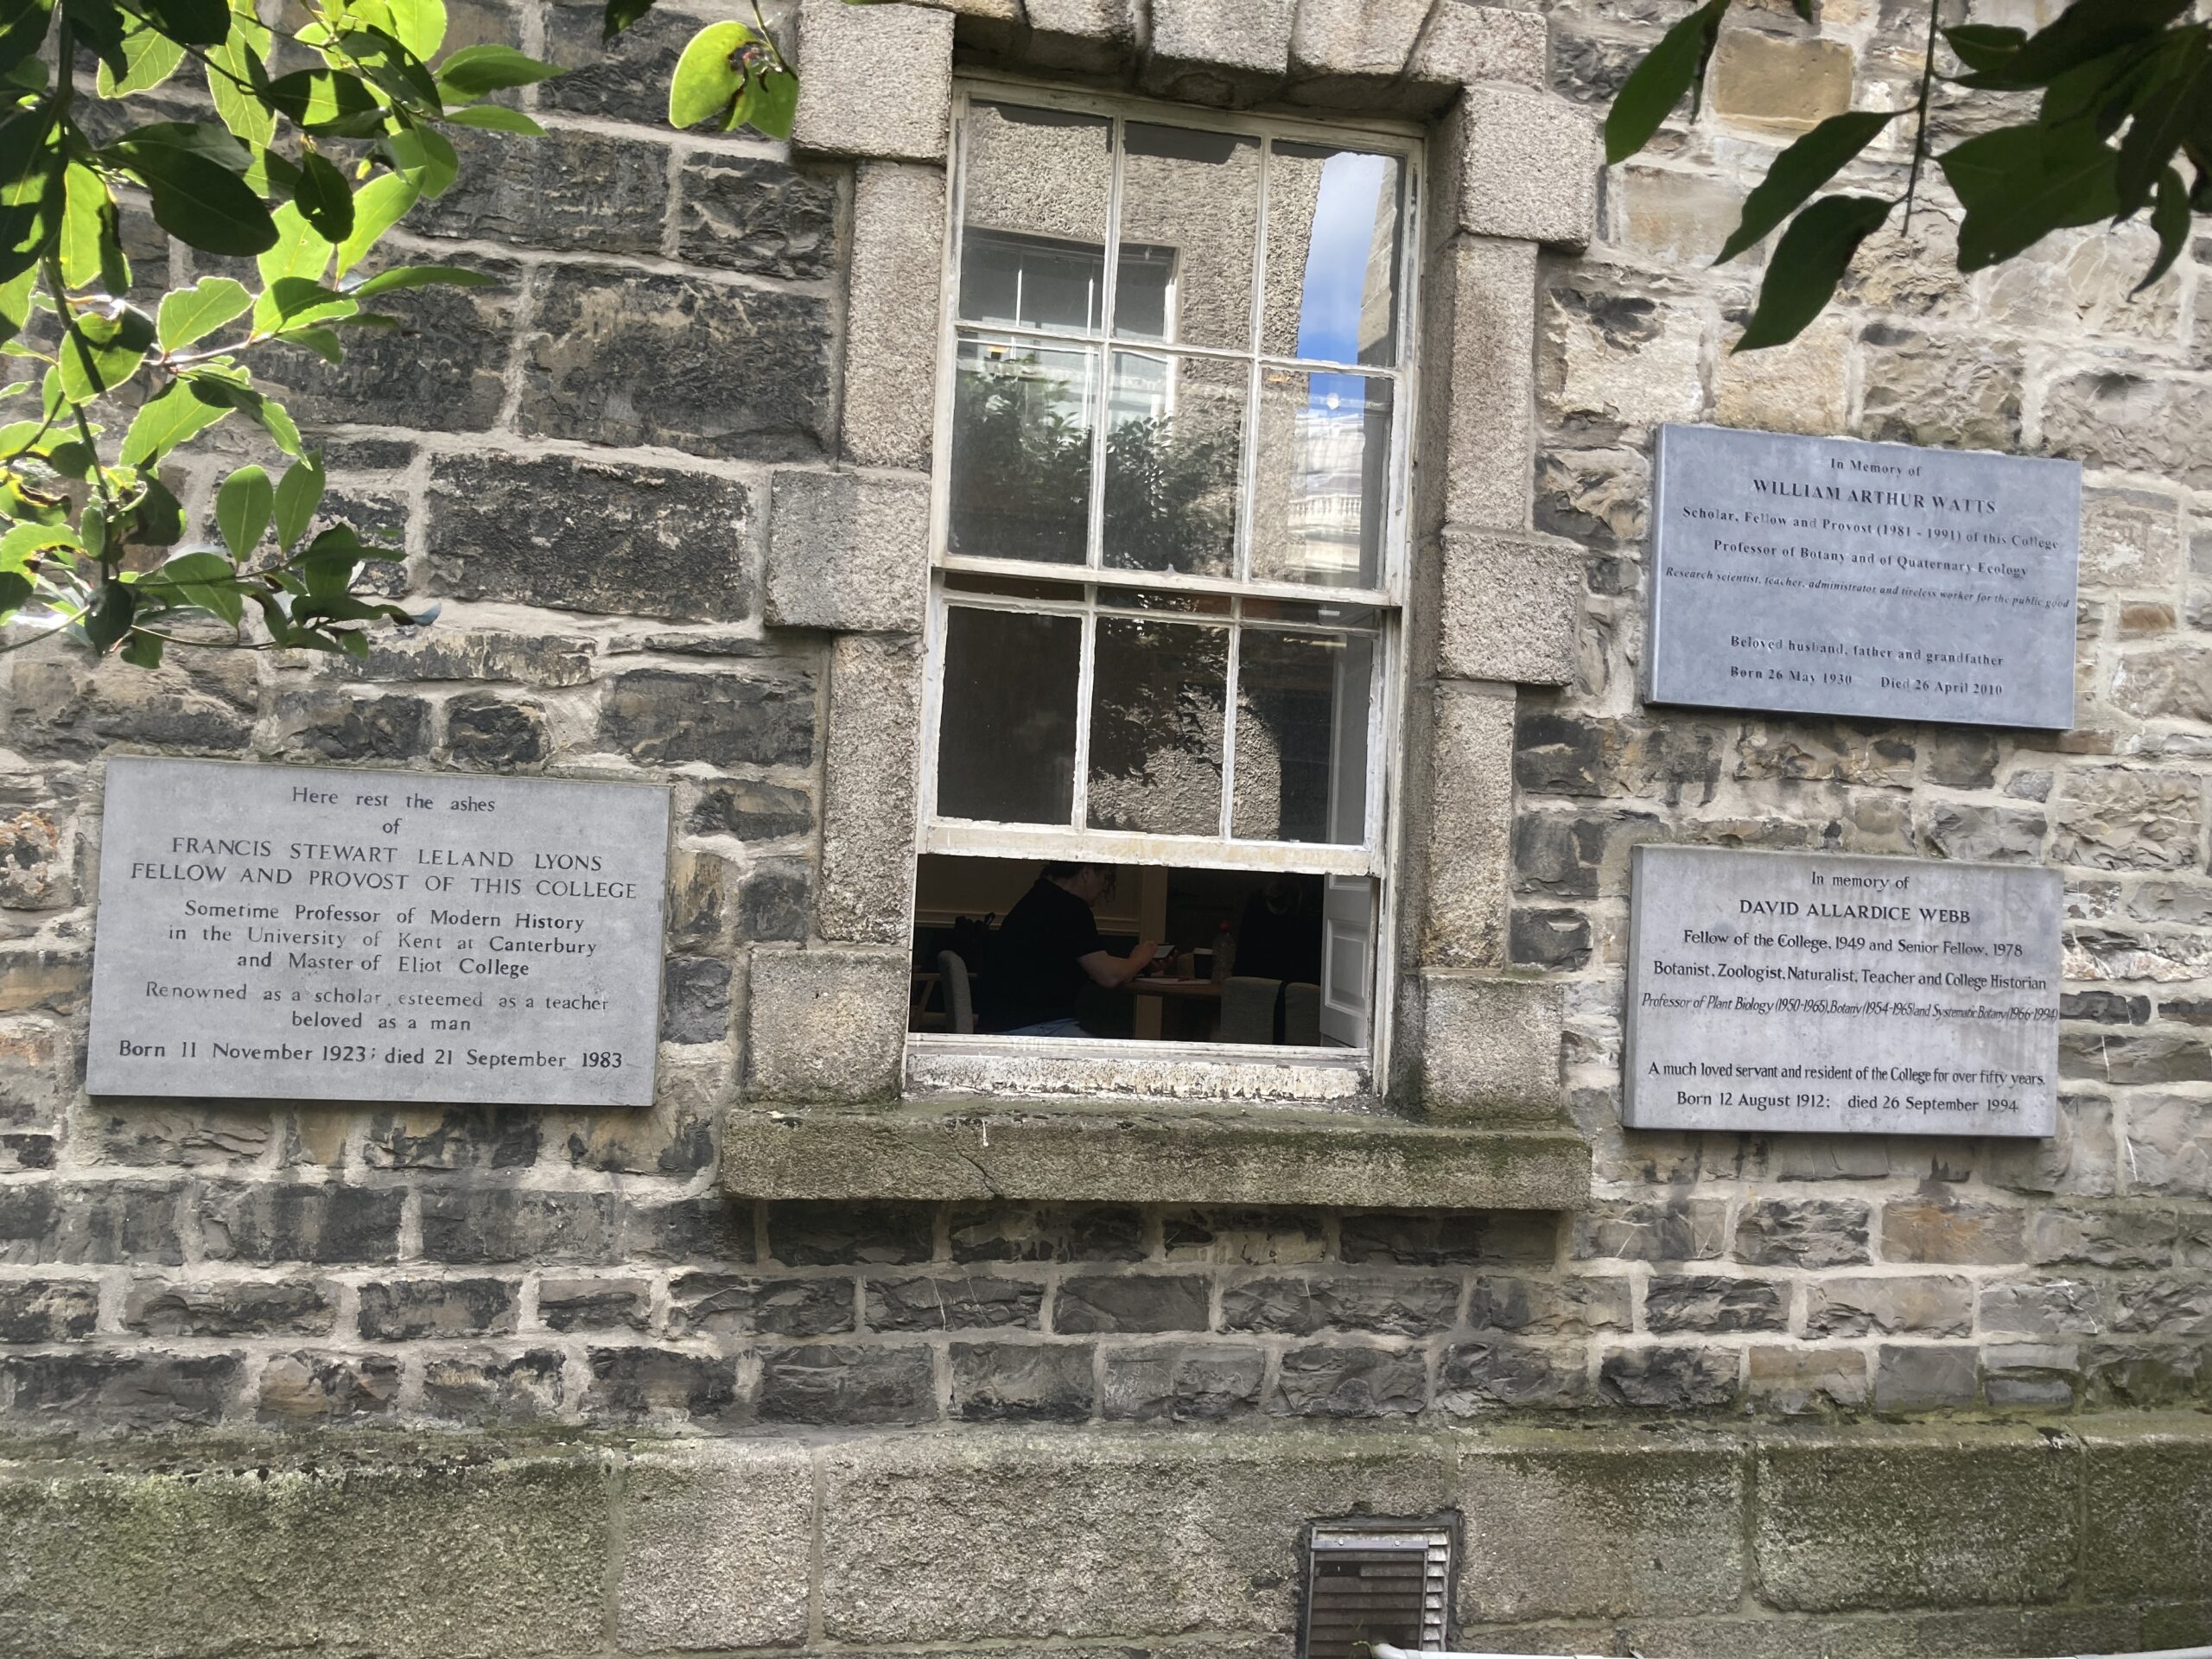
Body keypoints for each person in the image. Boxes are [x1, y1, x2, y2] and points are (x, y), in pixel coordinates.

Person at [978, 862, 1160, 1037]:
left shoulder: (1040, 899)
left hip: (1003, 1025)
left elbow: (1094, 964)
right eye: (1106, 878)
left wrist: (1138, 967)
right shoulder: (1070, 908)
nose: (1105, 887)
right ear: (1087, 872)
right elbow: (1109, 976)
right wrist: (1139, 959)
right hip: (1036, 1028)